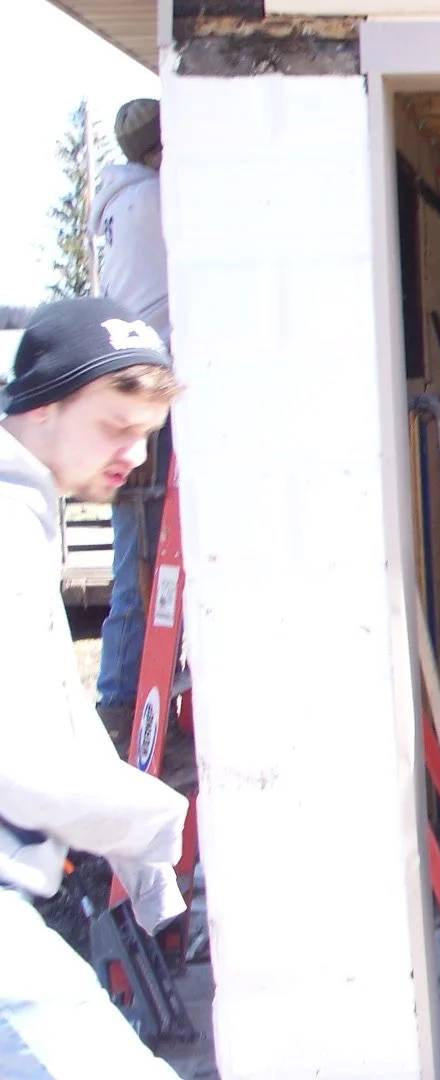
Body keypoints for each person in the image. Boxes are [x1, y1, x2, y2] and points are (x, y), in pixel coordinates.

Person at [1, 297, 188, 1079]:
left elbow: (59, 709)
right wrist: (157, 825)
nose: (136, 456)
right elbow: (18, 759)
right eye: (117, 427)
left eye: (146, 435)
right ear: (44, 405)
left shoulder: (26, 513)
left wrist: (145, 866)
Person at [90, 98, 171, 735]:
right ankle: (122, 709)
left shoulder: (120, 202)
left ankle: (130, 700)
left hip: (128, 388)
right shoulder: (156, 199)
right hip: (147, 392)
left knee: (137, 559)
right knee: (141, 565)